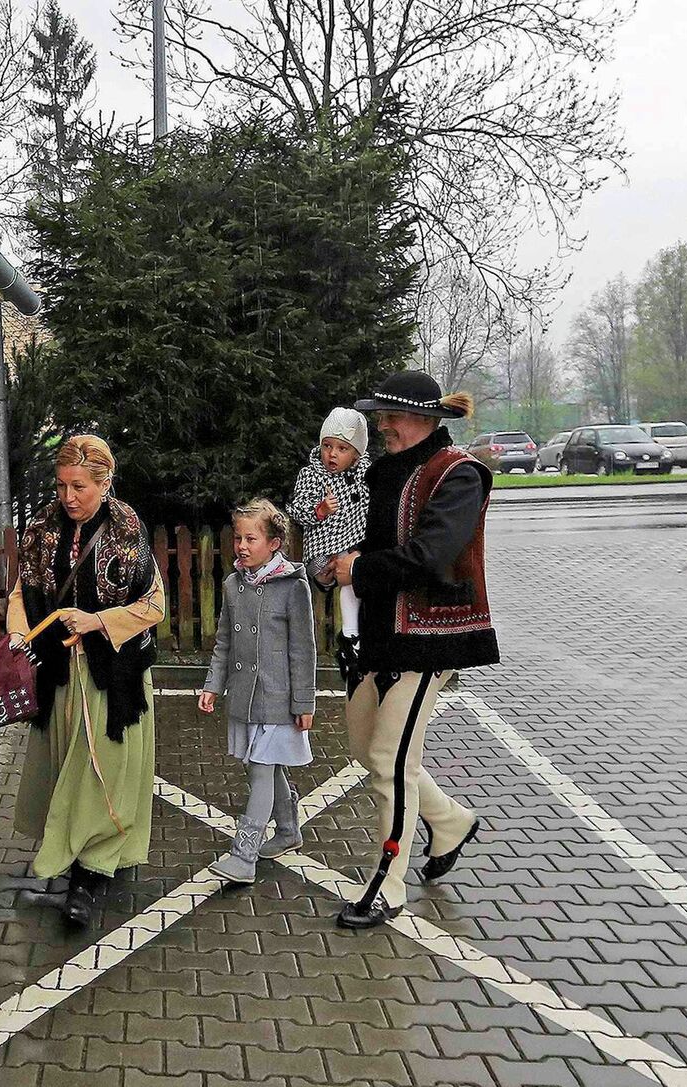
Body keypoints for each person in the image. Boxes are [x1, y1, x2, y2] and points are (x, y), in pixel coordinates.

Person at [327, 370, 498, 929]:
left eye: (390, 417)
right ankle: (448, 822)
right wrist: (340, 565)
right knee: (366, 746)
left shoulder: (461, 475)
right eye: (380, 417)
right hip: (380, 637)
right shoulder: (385, 473)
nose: (383, 427)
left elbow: (431, 554)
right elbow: (378, 546)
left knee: (390, 760)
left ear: (424, 420)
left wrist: (362, 568)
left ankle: (388, 883)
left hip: (430, 639)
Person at [7, 435, 166, 926]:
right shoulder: (40, 533)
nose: (68, 497)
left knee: (102, 770)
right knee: (68, 767)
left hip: (111, 675)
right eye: (61, 486)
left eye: (79, 486)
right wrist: (18, 631)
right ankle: (75, 855)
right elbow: (22, 592)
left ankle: (92, 872)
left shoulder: (128, 533)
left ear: (104, 482)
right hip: (60, 674)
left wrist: (97, 622)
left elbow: (154, 606)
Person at [198, 499, 316, 884]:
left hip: (277, 699)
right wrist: (213, 686)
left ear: (275, 542)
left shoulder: (293, 587)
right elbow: (223, 642)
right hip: (243, 697)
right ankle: (288, 831)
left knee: (260, 774)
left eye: (252, 538)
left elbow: (303, 649)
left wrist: (304, 701)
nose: (242, 546)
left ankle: (243, 857)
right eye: (238, 538)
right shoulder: (234, 584)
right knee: (259, 765)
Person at [286, 408, 371, 683]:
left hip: (354, 546)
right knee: (345, 573)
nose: (332, 454)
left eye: (342, 448)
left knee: (353, 579)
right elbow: (297, 511)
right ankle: (350, 635)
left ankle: (350, 634)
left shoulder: (366, 475)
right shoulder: (311, 475)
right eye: (327, 446)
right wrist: (319, 510)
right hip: (322, 553)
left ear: (356, 454)